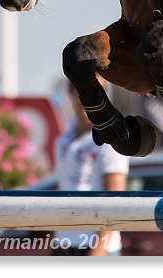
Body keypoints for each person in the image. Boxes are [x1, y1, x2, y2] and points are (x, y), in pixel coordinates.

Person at [52, 78, 129, 256]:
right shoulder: (63, 140)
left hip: (96, 247)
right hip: (63, 244)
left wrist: (97, 253)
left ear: (105, 96)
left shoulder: (111, 141)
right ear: (71, 94)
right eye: (81, 90)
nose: (87, 98)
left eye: (97, 91)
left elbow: (115, 201)